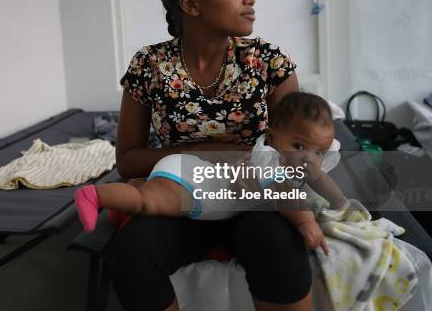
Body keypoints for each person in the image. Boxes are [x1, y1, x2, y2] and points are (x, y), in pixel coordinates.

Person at [105, 0, 312, 311]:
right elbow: (128, 161)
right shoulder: (150, 65)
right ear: (191, 4)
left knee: (276, 240)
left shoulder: (269, 62)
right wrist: (214, 153)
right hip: (184, 197)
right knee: (132, 248)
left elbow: (292, 158)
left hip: (253, 197)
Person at [75, 92, 347, 258]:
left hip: (187, 174)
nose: (307, 158)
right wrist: (307, 224)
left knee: (148, 192)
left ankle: (124, 204)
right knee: (145, 200)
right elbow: (286, 195)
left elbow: (324, 184)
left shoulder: (297, 161)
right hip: (194, 184)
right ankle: (95, 195)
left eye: (318, 152)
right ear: (273, 137)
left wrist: (337, 200)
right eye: (299, 147)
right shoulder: (270, 161)